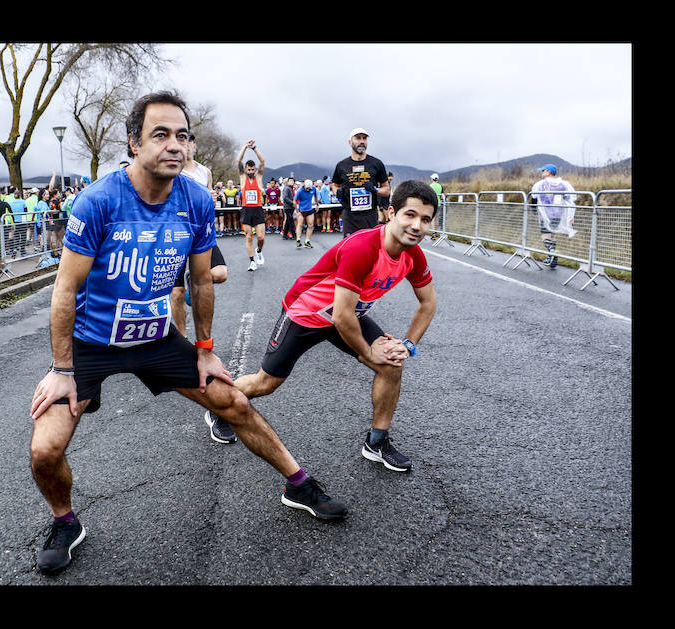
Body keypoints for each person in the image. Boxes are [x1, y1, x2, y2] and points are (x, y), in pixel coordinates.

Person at [28, 91, 348, 574]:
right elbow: (64, 291)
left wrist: (203, 349)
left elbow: (201, 280)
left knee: (234, 403)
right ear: (133, 143)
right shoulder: (97, 201)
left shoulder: (195, 200)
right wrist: (61, 368)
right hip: (92, 344)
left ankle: (298, 484)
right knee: (45, 448)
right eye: (160, 135)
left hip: (158, 338)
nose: (174, 145)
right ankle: (65, 521)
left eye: (182, 136)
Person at [216, 180, 438, 474]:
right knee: (265, 383)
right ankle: (219, 406)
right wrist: (369, 354)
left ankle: (377, 441)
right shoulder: (363, 247)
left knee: (392, 364)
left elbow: (428, 303)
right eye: (410, 215)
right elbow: (342, 317)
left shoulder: (413, 255)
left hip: (344, 314)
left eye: (425, 219)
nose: (417, 225)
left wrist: (407, 346)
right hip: (305, 313)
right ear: (391, 213)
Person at [173, 133, 228, 341]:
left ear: (194, 146)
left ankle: (192, 277)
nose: (184, 146)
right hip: (176, 235)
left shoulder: (205, 171)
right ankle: (182, 340)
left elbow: (208, 201)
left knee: (221, 273)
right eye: (180, 142)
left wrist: (211, 199)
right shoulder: (173, 171)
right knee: (177, 294)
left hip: (200, 234)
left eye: (187, 142)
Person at [330, 128, 389, 238]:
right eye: (358, 138)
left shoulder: (376, 163)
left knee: (370, 249)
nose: (362, 141)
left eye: (364, 138)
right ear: (350, 142)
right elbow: (334, 185)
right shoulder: (342, 165)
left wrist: (375, 190)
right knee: (350, 249)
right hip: (349, 215)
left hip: (369, 215)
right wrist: (337, 191)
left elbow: (386, 190)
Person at [531, 164, 577, 268]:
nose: (542, 173)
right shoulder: (564, 184)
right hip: (557, 215)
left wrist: (534, 210)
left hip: (545, 215)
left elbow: (533, 198)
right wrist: (571, 216)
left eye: (543, 171)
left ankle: (552, 252)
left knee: (545, 236)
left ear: (548, 172)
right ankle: (552, 259)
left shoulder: (540, 184)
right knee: (552, 236)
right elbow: (570, 200)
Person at [237, 140, 267, 271]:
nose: (250, 171)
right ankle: (252, 261)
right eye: (248, 169)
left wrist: (254, 148)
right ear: (245, 169)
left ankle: (259, 251)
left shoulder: (258, 177)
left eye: (252, 169)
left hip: (258, 210)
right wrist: (244, 147)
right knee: (249, 236)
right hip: (246, 210)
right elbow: (239, 161)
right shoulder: (242, 177)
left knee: (260, 237)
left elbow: (262, 161)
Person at [294, 179, 319, 248]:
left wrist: (317, 204)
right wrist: (297, 210)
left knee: (310, 225)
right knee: (300, 224)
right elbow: (294, 201)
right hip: (302, 210)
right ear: (304, 186)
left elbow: (316, 195)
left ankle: (307, 241)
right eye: (307, 188)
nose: (308, 189)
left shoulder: (313, 188)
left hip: (309, 209)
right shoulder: (300, 191)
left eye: (309, 188)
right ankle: (298, 240)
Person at [428, 173, 443, 239]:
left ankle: (434, 233)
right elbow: (442, 197)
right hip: (439, 204)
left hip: (432, 204)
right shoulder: (440, 186)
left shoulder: (430, 186)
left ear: (432, 179)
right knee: (436, 219)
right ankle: (436, 232)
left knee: (433, 219)